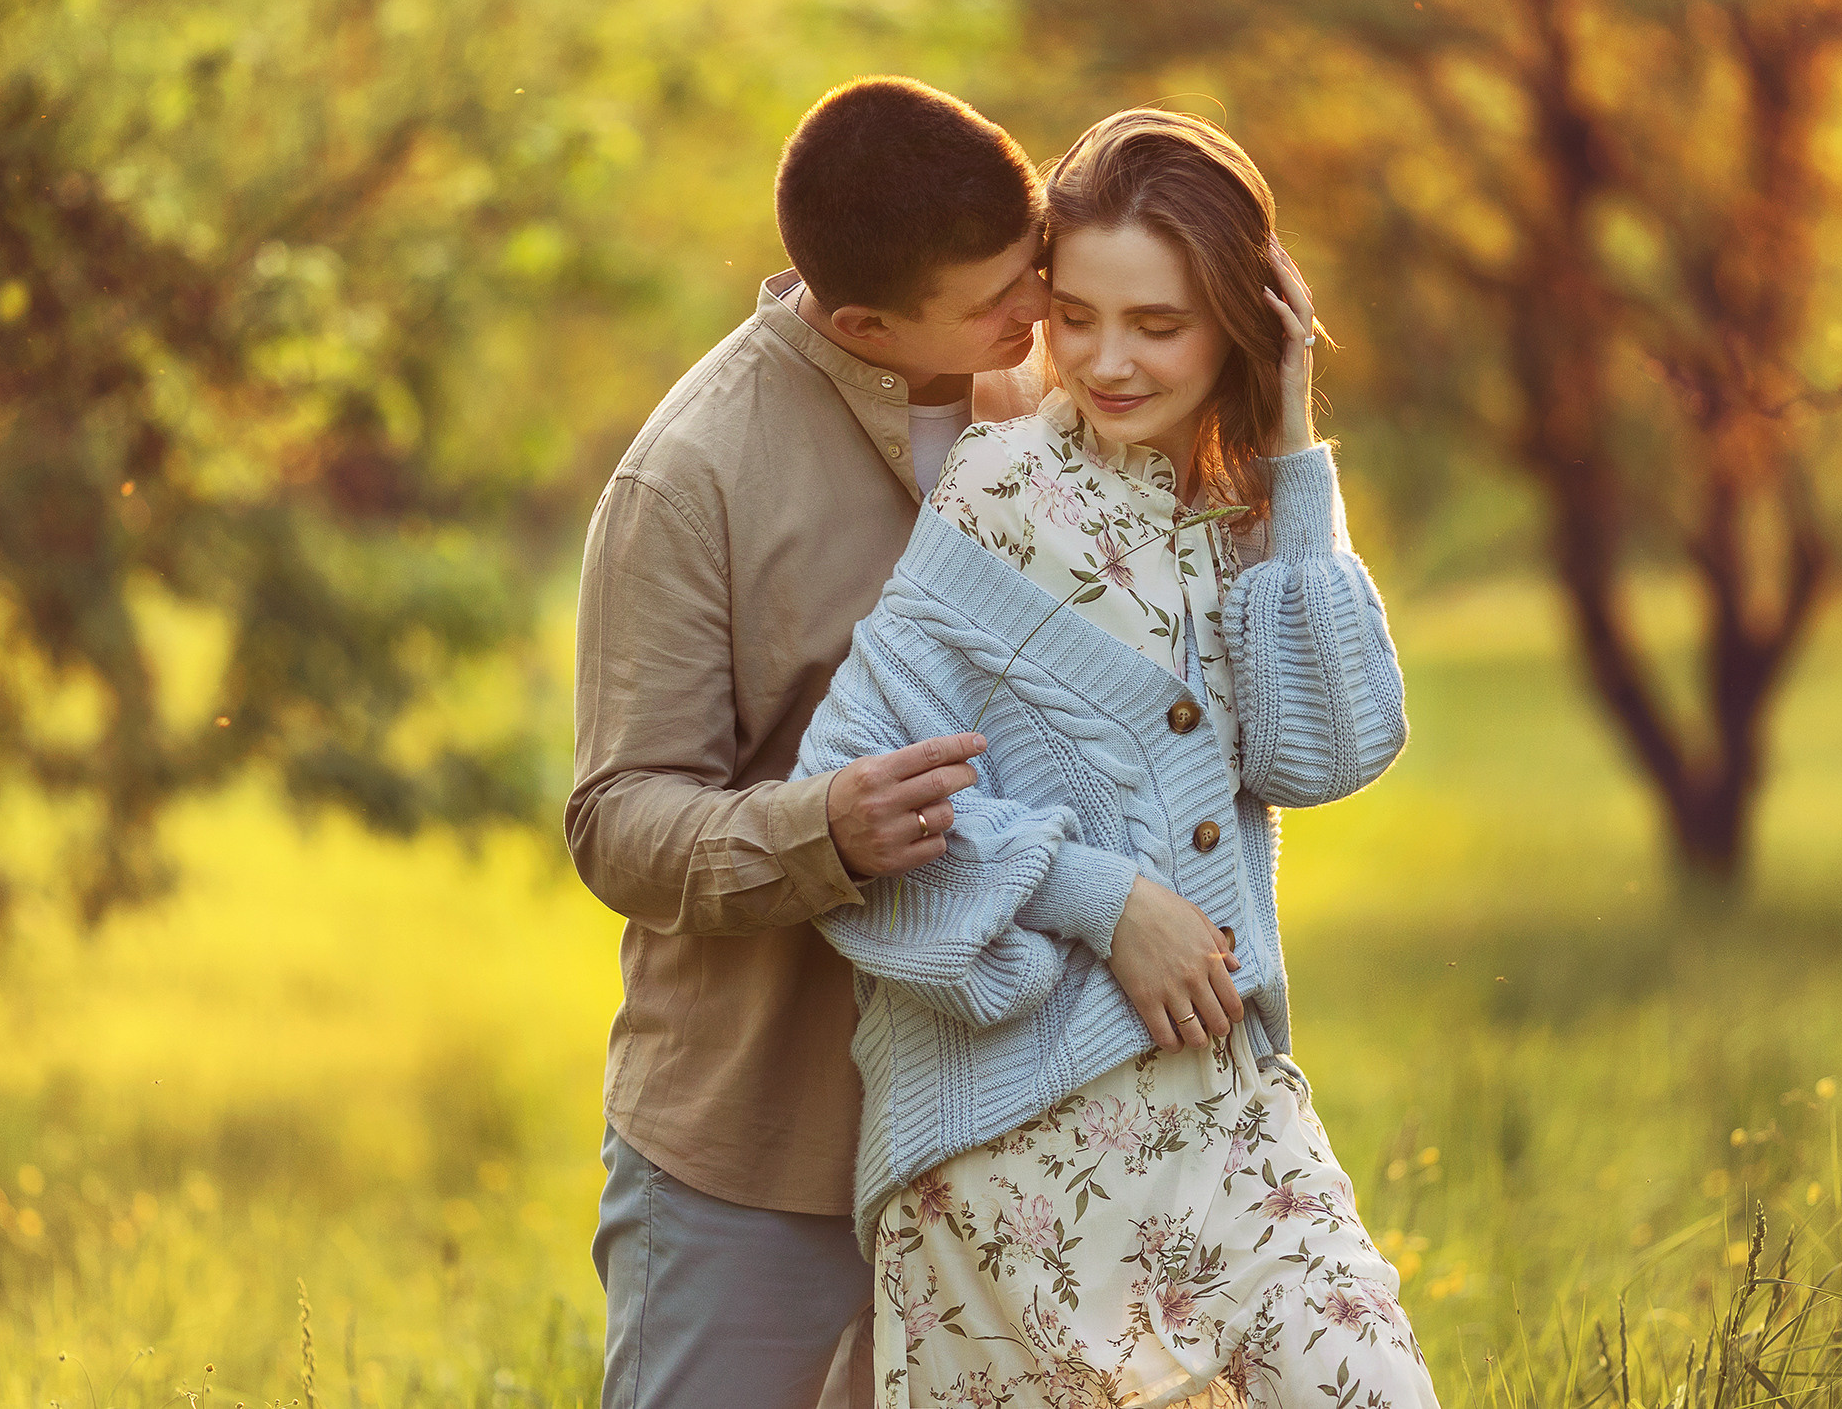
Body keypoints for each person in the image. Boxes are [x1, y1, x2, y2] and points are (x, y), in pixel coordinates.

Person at [793, 109, 1438, 1407]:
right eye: (1076, 317)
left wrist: (1293, 440)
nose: (1105, 360)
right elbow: (855, 783)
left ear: (1241, 319)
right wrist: (1107, 899)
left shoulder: (1253, 509)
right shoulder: (1003, 488)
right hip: (1013, 1130)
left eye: (1158, 324)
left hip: (1225, 1104)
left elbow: (1327, 751)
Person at [567, 76, 1055, 1409]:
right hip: (760, 1147)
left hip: (1000, 1127)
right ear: (863, 327)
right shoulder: (690, 477)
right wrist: (820, 829)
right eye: (996, 298)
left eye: (1036, 264)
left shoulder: (1051, 406)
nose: (1038, 310)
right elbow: (615, 820)